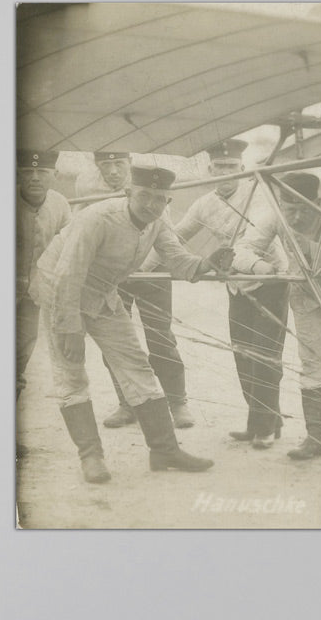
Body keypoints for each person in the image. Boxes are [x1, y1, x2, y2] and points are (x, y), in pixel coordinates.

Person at [32, 165, 229, 483]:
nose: (151, 204)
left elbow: (176, 258)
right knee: (72, 375)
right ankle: (91, 458)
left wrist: (207, 262)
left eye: (159, 199)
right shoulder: (98, 218)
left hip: (103, 293)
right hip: (60, 290)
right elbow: (68, 271)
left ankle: (164, 450)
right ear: (128, 194)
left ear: (167, 201)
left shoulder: (157, 221)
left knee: (137, 366)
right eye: (145, 196)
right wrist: (69, 326)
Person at [234, 172, 321, 460]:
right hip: (307, 296)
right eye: (289, 210)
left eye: (303, 210)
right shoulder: (276, 215)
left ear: (317, 202)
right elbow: (241, 249)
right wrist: (258, 266)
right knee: (312, 363)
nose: (295, 218)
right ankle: (316, 437)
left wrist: (306, 246)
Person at [174, 139, 290, 450]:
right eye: (219, 167)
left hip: (270, 280)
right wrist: (141, 256)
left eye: (232, 168)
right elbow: (176, 237)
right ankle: (261, 422)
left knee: (265, 354)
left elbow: (260, 242)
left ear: (242, 170)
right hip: (237, 284)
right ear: (210, 169)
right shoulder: (204, 204)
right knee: (242, 352)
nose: (225, 173)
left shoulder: (258, 196)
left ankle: (265, 425)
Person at [75, 151, 195, 428]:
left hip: (152, 273)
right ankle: (126, 403)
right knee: (115, 342)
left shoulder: (151, 190)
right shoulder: (88, 194)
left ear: (129, 165)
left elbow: (168, 238)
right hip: (113, 280)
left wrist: (142, 264)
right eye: (106, 165)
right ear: (97, 167)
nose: (114, 171)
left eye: (119, 164)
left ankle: (177, 402)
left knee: (161, 338)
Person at [17, 148, 71, 398]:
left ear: (55, 174)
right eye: (28, 171)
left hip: (34, 292)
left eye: (42, 172)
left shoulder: (60, 205)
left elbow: (67, 248)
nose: (35, 177)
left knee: (22, 348)